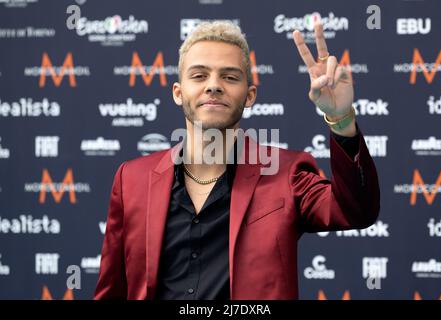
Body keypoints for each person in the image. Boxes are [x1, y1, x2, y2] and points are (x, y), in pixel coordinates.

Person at [94, 20, 380, 300]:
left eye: (229, 77)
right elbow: (111, 290)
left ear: (250, 95)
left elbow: (355, 210)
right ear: (178, 93)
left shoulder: (286, 174)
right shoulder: (131, 179)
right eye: (199, 75)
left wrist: (342, 119)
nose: (214, 86)